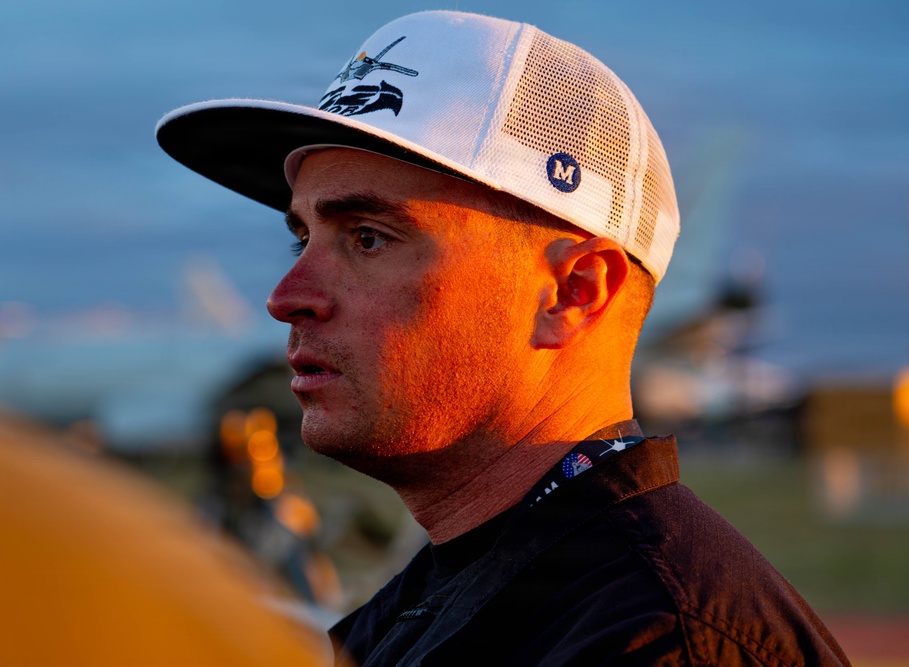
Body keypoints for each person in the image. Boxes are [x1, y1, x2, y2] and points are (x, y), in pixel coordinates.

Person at [157, 10, 851, 666]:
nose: (287, 298)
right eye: (302, 239)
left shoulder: (657, 641)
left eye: (368, 237)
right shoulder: (446, 593)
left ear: (575, 291)